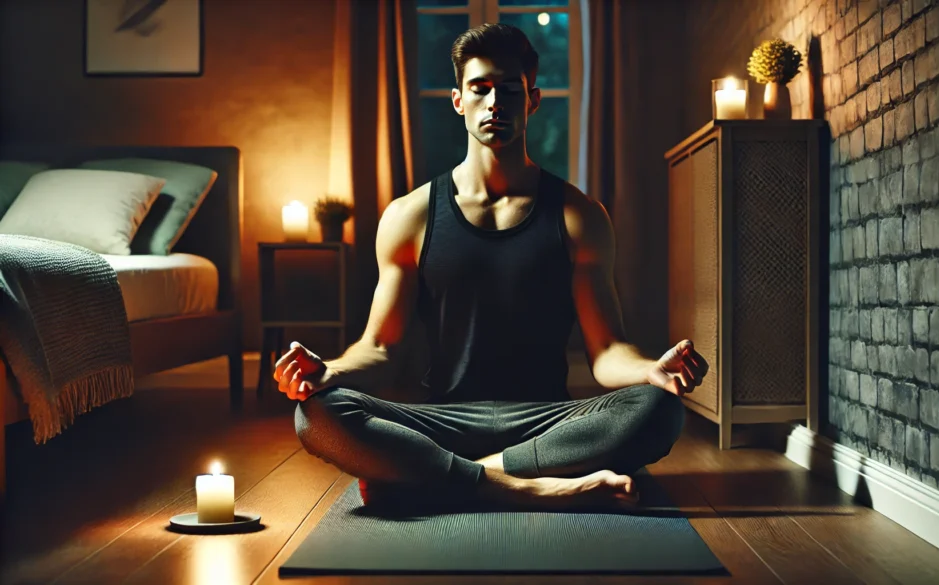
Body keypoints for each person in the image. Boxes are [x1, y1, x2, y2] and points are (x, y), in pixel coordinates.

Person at [275, 22, 709, 511]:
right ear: (458, 101)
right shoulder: (408, 216)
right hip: (443, 422)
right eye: (480, 90)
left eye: (509, 90)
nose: (495, 104)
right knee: (315, 413)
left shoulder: (579, 215)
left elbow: (606, 351)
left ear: (533, 99)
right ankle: (534, 487)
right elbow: (379, 349)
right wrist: (329, 371)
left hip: (545, 422)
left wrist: (651, 370)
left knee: (658, 408)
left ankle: (437, 478)